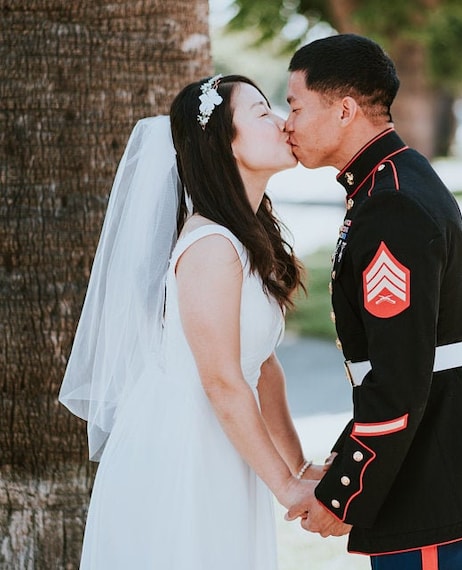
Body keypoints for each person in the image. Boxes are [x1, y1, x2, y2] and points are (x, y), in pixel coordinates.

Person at [284, 34, 462, 569]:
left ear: (345, 109)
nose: (289, 123)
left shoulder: (389, 202)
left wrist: (343, 493)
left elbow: (400, 375)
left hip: (430, 473)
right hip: (431, 458)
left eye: (295, 106)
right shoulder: (389, 179)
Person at [59, 74, 320, 569]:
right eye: (263, 113)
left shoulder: (245, 237)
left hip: (227, 444)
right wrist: (285, 487)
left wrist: (299, 466)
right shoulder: (211, 248)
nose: (283, 123)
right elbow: (222, 381)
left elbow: (263, 369)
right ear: (225, 143)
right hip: (182, 450)